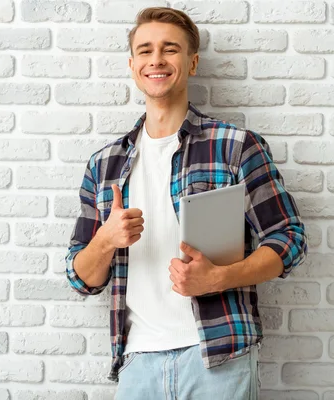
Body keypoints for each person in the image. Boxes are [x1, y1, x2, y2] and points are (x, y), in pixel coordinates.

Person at [65, 7, 307, 400]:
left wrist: (219, 278)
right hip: (137, 363)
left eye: (170, 49)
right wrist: (106, 240)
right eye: (145, 50)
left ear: (191, 62)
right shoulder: (104, 164)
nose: (156, 59)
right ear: (132, 65)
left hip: (219, 358)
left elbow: (290, 239)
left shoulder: (235, 146)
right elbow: (81, 278)